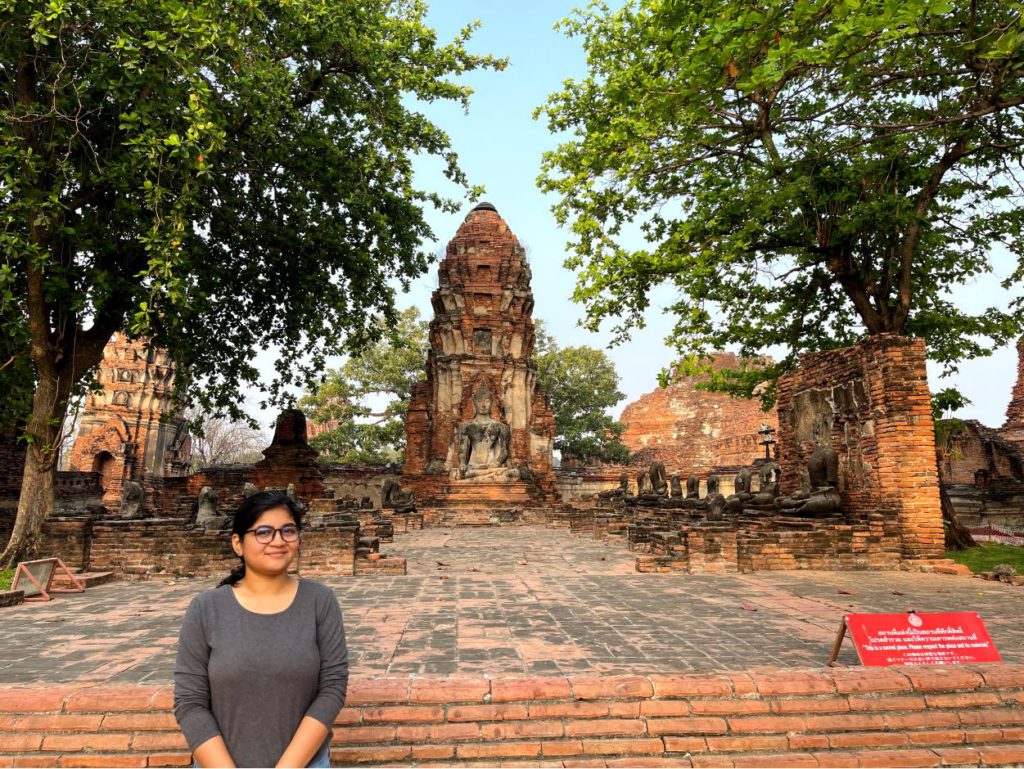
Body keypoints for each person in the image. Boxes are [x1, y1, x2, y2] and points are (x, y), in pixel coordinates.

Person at [174, 490, 348, 768]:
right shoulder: (206, 608)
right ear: (238, 543)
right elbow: (190, 702)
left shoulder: (319, 601)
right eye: (263, 532)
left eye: (288, 531)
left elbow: (332, 689)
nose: (278, 541)